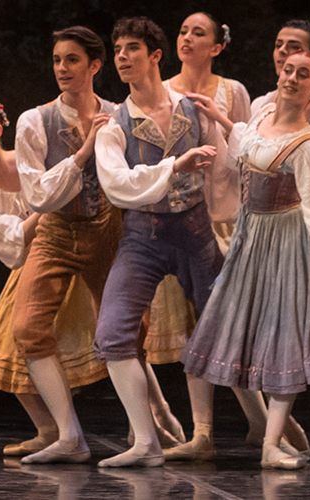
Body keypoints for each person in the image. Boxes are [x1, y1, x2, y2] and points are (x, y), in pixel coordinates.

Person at [179, 50, 310, 470]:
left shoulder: (307, 144)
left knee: (287, 336)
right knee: (230, 325)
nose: (292, 78)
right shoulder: (261, 118)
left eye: (304, 75)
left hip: (290, 245)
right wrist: (222, 119)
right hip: (252, 238)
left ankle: (271, 444)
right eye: (288, 70)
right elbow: (249, 143)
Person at [90, 16, 230, 468]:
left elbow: (226, 172)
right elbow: (117, 183)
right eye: (117, 50)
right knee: (113, 333)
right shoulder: (114, 124)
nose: (123, 57)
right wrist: (175, 167)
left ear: (155, 55)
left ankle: (221, 432)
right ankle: (147, 441)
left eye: (132, 48)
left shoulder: (192, 109)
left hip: (194, 231)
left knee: (223, 325)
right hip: (143, 237)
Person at [10, 26, 137, 465]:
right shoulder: (35, 120)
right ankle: (69, 436)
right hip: (57, 231)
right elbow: (39, 195)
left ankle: (149, 428)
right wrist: (82, 153)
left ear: (95, 65)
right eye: (57, 60)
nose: (62, 68)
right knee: (27, 328)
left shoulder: (120, 114)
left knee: (126, 333)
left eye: (72, 60)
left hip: (108, 229)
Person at [0, 99, 109, 459]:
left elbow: (69, 183)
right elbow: (13, 240)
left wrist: (54, 194)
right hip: (34, 264)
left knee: (116, 334)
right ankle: (51, 430)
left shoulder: (29, 160)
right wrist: (49, 202)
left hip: (79, 247)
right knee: (9, 343)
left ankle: (156, 422)